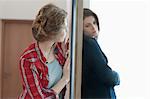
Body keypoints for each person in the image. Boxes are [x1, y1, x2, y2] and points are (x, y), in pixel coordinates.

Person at [19, 3, 70, 99]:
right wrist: (65, 79)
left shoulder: (60, 48)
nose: (67, 30)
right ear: (54, 31)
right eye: (65, 26)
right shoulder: (27, 59)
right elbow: (39, 97)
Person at [82, 8, 120, 99]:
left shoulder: (83, 45)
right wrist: (116, 76)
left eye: (94, 23)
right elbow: (106, 76)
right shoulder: (89, 43)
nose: (93, 28)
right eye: (87, 26)